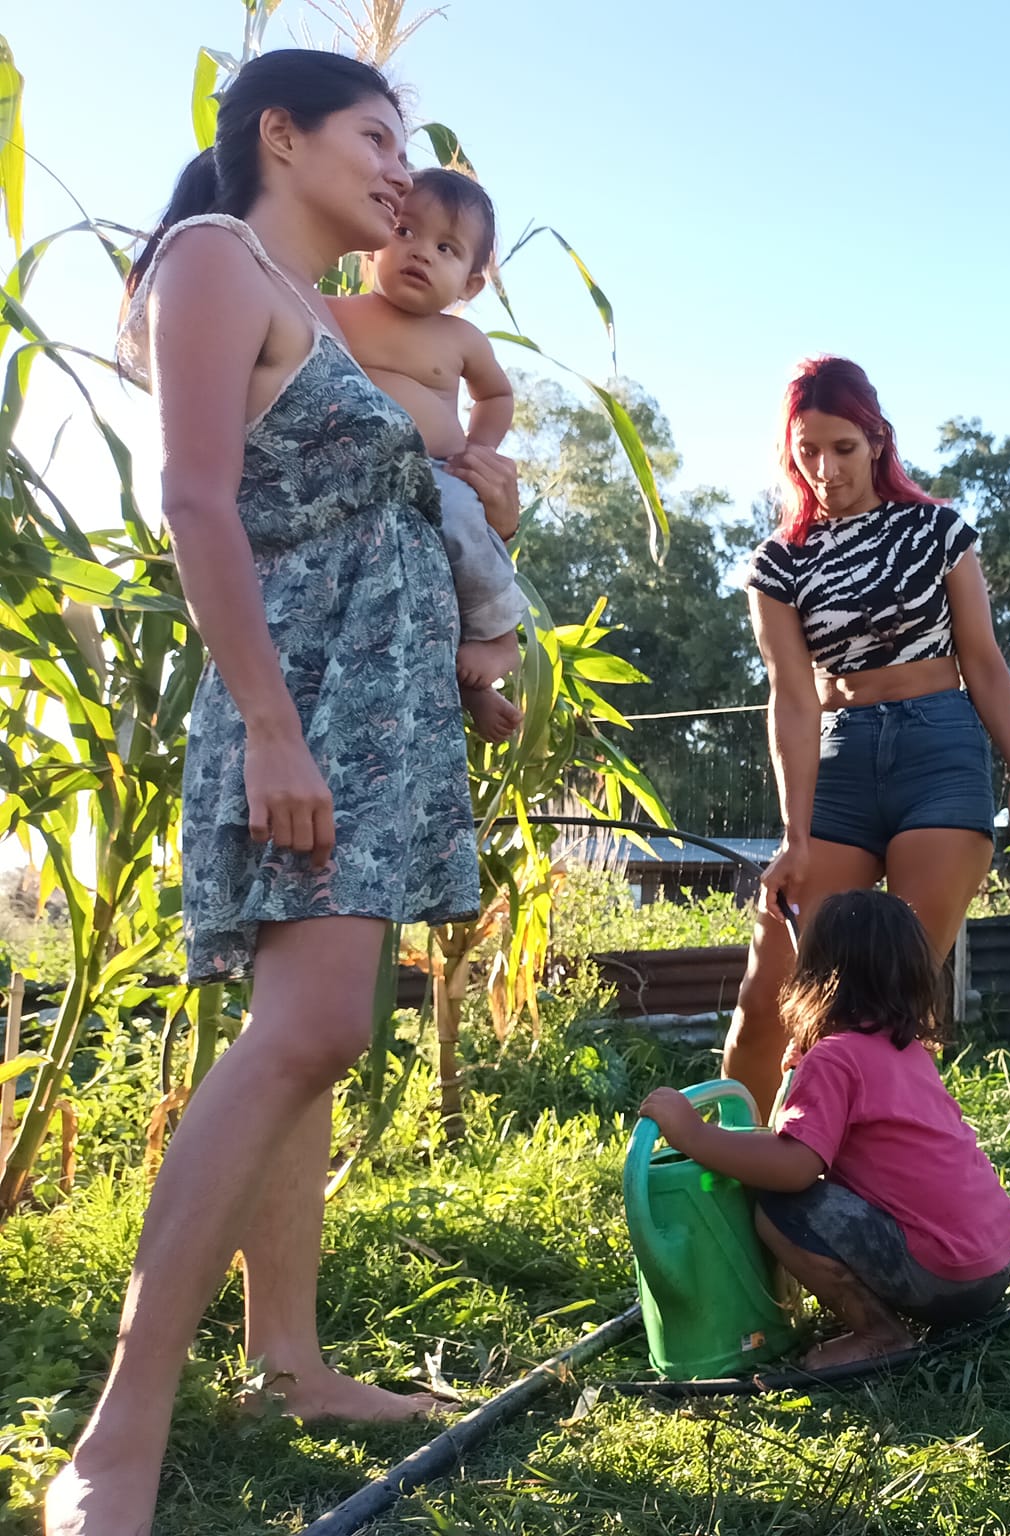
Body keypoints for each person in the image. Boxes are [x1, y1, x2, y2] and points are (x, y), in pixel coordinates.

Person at [48, 50, 516, 1536]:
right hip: (298, 705)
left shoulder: (323, 312)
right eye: (375, 137)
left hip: (377, 714)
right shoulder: (212, 257)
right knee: (310, 1030)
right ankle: (116, 1436)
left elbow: (377, 515)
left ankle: (287, 1363)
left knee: (308, 1043)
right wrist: (270, 729)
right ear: (282, 134)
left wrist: (468, 650)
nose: (398, 171)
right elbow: (196, 499)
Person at [725, 356, 1010, 1109]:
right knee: (769, 993)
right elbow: (792, 697)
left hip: (940, 754)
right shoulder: (778, 563)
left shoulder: (937, 531)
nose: (826, 469)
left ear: (876, 441)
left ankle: (865, 1172)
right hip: (838, 763)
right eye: (808, 451)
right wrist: (794, 837)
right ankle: (729, 1161)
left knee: (888, 1008)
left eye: (843, 447)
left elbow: (983, 662)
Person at [642, 889, 1010, 1368]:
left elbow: (795, 1167)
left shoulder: (835, 1059)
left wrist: (694, 1135)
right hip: (990, 1269)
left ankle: (881, 1334)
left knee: (782, 1208)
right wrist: (799, 1078)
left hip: (941, 1279)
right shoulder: (909, 1052)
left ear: (817, 977)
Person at [332, 168, 526, 742]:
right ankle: (472, 687)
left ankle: (498, 638)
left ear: (470, 285)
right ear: (372, 246)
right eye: (405, 231)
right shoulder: (333, 313)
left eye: (446, 248)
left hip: (436, 474)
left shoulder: (461, 339)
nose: (420, 252)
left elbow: (496, 395)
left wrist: (479, 450)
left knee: (464, 524)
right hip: (361, 480)